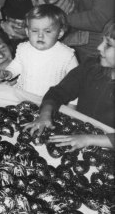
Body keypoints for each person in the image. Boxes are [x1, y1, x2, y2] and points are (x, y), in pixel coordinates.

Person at [23, 21, 115, 150]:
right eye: (102, 41)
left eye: (108, 45)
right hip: (80, 135)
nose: (99, 47)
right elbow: (58, 92)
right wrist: (45, 114)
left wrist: (89, 139)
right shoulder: (90, 67)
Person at [0, 4, 78, 98]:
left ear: (60, 33)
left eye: (47, 31)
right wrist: (9, 72)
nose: (40, 36)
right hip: (23, 96)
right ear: (27, 32)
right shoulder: (24, 49)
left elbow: (75, 82)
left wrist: (71, 106)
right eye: (35, 31)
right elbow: (17, 64)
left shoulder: (67, 55)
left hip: (50, 102)